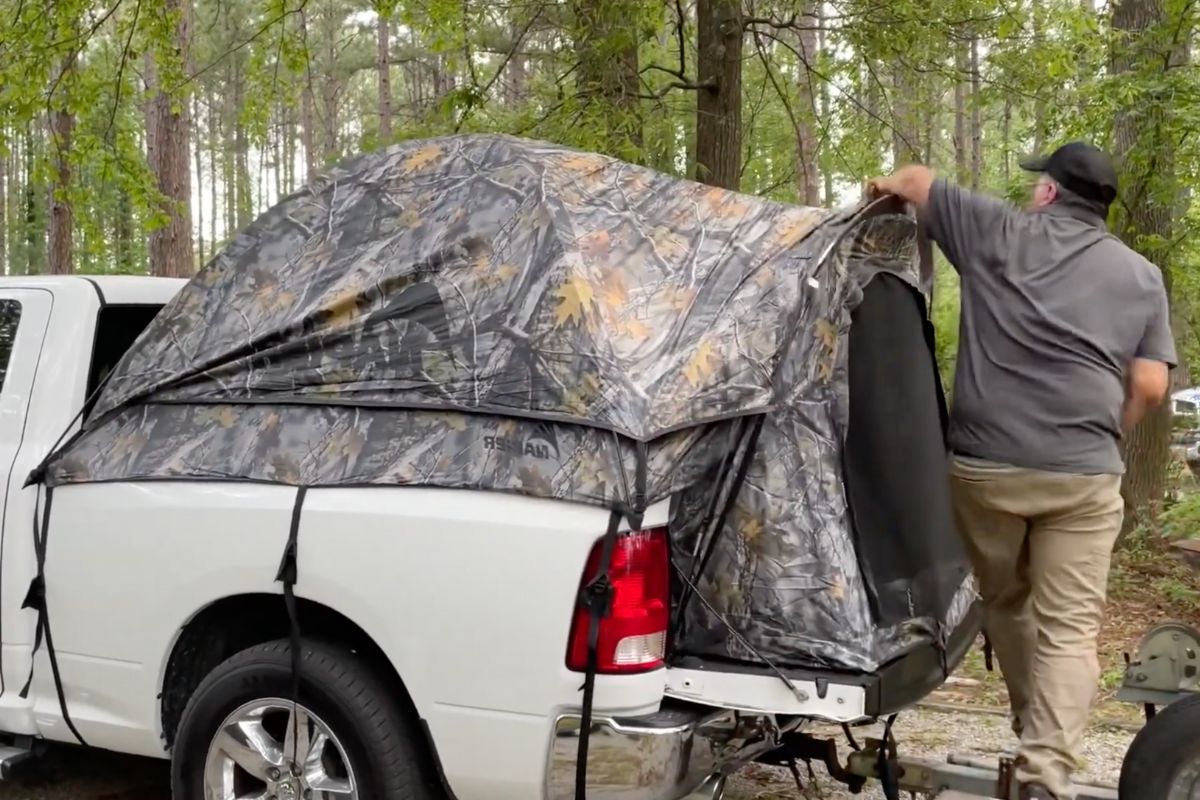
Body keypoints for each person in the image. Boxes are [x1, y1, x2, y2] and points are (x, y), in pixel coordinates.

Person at [867, 142, 1175, 800]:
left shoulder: (998, 231)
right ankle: (1044, 771)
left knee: (1008, 601)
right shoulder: (1141, 276)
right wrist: (1104, 432)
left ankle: (1027, 718)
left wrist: (880, 188)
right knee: (1072, 629)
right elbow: (1149, 384)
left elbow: (918, 182)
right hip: (1084, 476)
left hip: (988, 470)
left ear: (1050, 193)